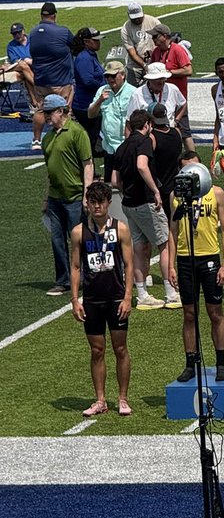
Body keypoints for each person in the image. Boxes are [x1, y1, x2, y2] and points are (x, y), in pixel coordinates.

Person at [69, 181, 134, 417]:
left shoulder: (121, 229)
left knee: (120, 348)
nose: (97, 207)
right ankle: (100, 400)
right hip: (93, 300)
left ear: (108, 203)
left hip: (116, 298)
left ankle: (123, 398)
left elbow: (129, 265)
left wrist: (128, 297)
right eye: (92, 202)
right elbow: (76, 267)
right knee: (97, 350)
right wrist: (75, 299)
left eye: (101, 202)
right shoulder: (79, 232)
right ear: (87, 204)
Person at [168, 150, 224, 384]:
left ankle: (221, 362)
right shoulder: (175, 196)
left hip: (209, 257)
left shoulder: (215, 193)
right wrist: (171, 265)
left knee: (215, 312)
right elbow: (173, 231)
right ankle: (190, 362)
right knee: (189, 313)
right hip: (186, 259)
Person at [112, 109, 177, 311]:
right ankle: (171, 293)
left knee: (139, 247)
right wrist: (155, 190)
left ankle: (142, 295)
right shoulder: (144, 142)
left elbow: (115, 180)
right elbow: (142, 165)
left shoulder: (121, 147)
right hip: (145, 202)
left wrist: (127, 191)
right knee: (164, 243)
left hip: (129, 204)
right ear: (147, 124)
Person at [42, 94, 94, 296]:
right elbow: (50, 171)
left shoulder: (77, 133)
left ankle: (86, 276)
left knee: (78, 239)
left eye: (49, 112)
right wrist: (46, 198)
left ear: (61, 111)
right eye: (45, 112)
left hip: (74, 195)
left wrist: (86, 194)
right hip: (56, 197)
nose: (46, 116)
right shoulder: (47, 138)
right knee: (57, 240)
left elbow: (87, 164)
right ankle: (63, 280)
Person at [29, 0, 75, 149]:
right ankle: (63, 139)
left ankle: (36, 140)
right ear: (55, 16)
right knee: (63, 109)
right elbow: (74, 45)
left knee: (41, 109)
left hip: (41, 79)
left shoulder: (33, 32)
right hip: (60, 80)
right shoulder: (62, 31)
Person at [88, 60, 134, 181]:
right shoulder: (102, 91)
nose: (110, 79)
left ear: (122, 75)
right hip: (109, 148)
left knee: (127, 183)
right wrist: (99, 101)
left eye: (113, 75)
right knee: (109, 184)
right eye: (107, 76)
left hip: (126, 147)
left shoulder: (133, 93)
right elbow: (91, 115)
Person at [71, 28, 106, 154]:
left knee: (93, 138)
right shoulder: (84, 58)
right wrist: (104, 86)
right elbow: (88, 81)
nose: (98, 43)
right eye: (95, 40)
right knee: (90, 141)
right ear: (86, 42)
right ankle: (88, 170)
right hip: (85, 105)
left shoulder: (90, 55)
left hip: (90, 103)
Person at [119, 1, 161, 88]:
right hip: (134, 66)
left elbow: (161, 42)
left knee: (155, 89)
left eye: (139, 17)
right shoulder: (126, 29)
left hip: (154, 62)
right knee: (130, 91)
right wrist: (144, 65)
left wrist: (153, 59)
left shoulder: (154, 22)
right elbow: (132, 53)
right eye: (134, 18)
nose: (137, 19)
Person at [2, 22, 38, 110]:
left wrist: (31, 61)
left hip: (35, 66)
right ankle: (39, 89)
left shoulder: (34, 40)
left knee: (25, 75)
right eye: (14, 34)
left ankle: (35, 104)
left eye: (19, 32)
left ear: (23, 31)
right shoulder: (11, 46)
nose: (17, 35)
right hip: (20, 66)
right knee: (23, 65)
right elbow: (15, 61)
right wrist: (26, 60)